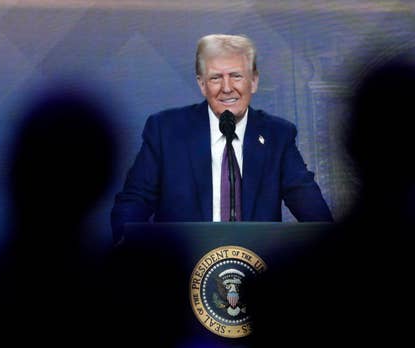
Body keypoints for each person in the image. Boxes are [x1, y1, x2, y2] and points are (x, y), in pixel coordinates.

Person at [110, 33, 333, 242]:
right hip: (182, 268)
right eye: (216, 77)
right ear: (201, 84)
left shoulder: (277, 135)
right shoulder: (166, 130)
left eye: (236, 76)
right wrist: (131, 253)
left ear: (253, 81)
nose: (227, 88)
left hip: (256, 267)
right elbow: (134, 202)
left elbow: (309, 206)